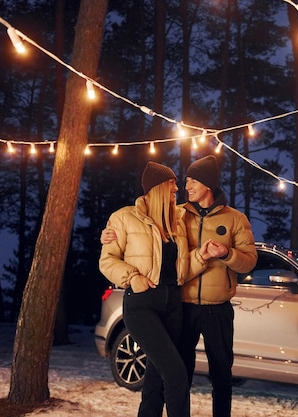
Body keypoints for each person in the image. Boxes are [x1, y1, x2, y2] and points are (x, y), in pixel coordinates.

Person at [101, 155, 257, 417]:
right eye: (181, 182)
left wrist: (221, 254)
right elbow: (118, 249)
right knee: (176, 372)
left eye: (192, 180)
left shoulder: (232, 219)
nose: (184, 187)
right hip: (180, 306)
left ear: (208, 184)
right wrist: (110, 241)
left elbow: (246, 261)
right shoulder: (177, 215)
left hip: (208, 307)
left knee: (218, 375)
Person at [98, 161, 215, 417]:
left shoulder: (177, 225)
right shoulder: (124, 217)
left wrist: (202, 256)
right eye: (172, 187)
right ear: (158, 188)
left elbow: (181, 271)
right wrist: (132, 277)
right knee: (176, 374)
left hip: (173, 305)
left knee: (155, 381)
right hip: (142, 305)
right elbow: (107, 261)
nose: (177, 191)